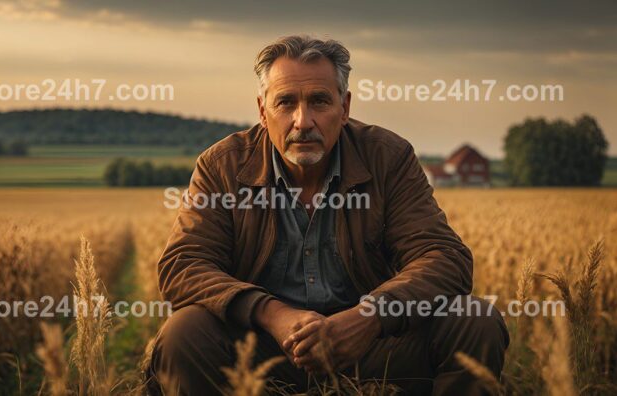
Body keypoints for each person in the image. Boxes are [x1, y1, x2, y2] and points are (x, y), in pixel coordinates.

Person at [145, 35, 508, 395]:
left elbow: (445, 257)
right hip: (258, 351)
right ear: (262, 110)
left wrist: (370, 316)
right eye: (285, 103)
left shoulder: (388, 157)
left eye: (319, 101)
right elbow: (184, 263)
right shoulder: (223, 165)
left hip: (370, 348)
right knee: (184, 332)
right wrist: (273, 315)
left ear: (345, 106)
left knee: (474, 319)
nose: (303, 121)